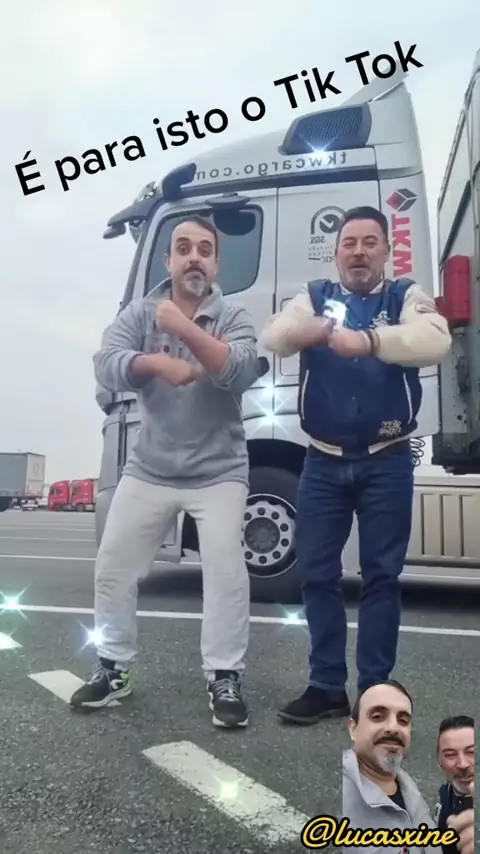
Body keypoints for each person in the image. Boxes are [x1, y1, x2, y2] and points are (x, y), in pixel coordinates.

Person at [261, 205, 452, 724]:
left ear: (386, 251)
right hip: (321, 461)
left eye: (370, 242)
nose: (359, 252)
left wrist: (369, 341)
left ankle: (374, 689)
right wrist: (310, 331)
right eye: (350, 243)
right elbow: (274, 335)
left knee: (382, 577)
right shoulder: (315, 295)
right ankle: (326, 686)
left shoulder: (404, 295)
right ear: (336, 252)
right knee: (316, 574)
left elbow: (436, 340)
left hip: (387, 459)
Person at [70, 215, 262, 728]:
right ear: (168, 261)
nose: (194, 257)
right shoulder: (140, 312)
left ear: (216, 264)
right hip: (150, 467)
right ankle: (113, 669)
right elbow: (106, 363)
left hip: (219, 470)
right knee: (113, 565)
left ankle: (224, 676)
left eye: (205, 249)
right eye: (184, 248)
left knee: (225, 572)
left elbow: (238, 371)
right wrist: (154, 363)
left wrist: (183, 330)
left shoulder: (234, 316)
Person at [342, 680, 437, 852]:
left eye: (403, 720)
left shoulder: (405, 784)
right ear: (352, 728)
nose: (393, 728)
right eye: (377, 717)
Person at [435, 716, 475, 854]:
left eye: (472, 752)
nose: (463, 764)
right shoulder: (445, 792)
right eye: (450, 755)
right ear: (439, 760)